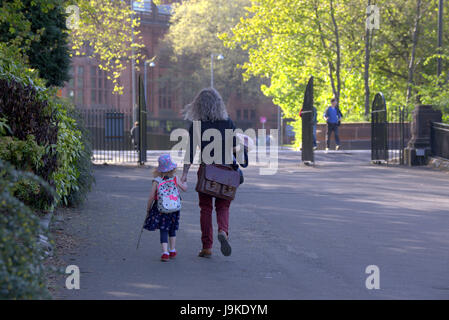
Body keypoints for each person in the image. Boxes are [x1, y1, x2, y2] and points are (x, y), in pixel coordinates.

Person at [180, 87, 237, 258]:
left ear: (198, 106)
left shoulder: (197, 125)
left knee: (205, 208)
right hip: (225, 169)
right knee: (223, 205)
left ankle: (207, 247)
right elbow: (235, 147)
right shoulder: (227, 122)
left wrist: (184, 174)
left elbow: (190, 151)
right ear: (219, 104)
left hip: (206, 170)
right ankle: (223, 231)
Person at [144, 154, 187, 262]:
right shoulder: (175, 178)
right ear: (172, 168)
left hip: (161, 209)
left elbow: (151, 197)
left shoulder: (157, 181)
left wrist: (148, 209)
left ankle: (165, 253)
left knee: (163, 229)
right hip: (174, 209)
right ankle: (172, 250)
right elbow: (185, 189)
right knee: (172, 229)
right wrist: (184, 181)